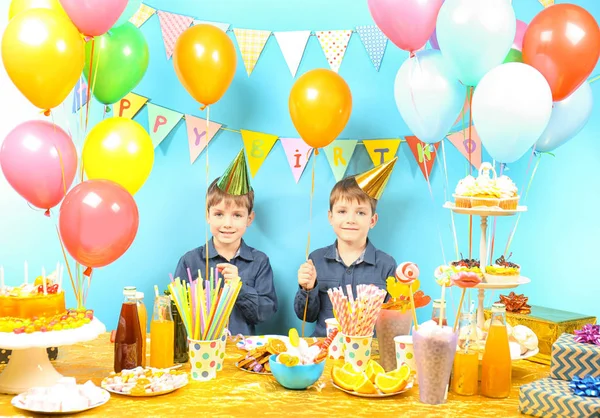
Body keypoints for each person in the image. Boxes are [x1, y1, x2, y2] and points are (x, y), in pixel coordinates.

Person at [174, 150, 277, 336]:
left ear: (249, 218)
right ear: (208, 215)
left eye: (237, 215)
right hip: (201, 351)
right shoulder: (189, 261)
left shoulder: (260, 261)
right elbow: (178, 315)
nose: (227, 224)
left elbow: (266, 314)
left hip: (241, 351)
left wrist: (240, 287)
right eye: (219, 214)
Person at [294, 158, 398, 337]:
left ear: (372, 220)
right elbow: (307, 316)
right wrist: (307, 289)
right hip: (324, 350)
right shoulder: (316, 259)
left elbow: (392, 323)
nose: (350, 219)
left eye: (360, 212)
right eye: (342, 211)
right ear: (330, 217)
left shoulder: (386, 264)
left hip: (366, 353)